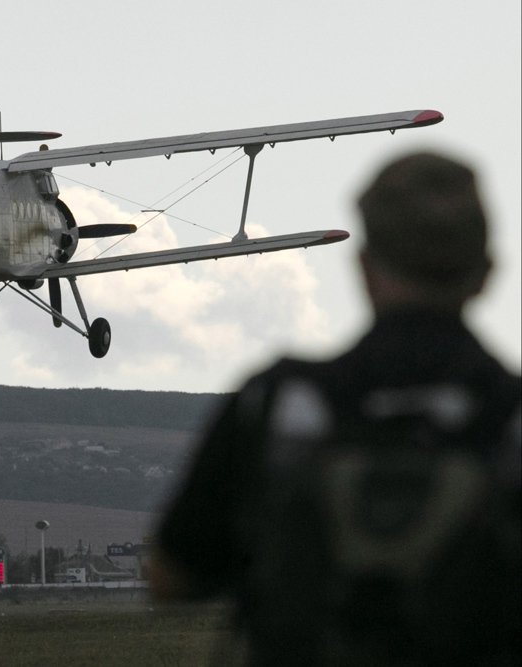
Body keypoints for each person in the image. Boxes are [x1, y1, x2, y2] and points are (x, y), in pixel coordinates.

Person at [151, 152, 520, 665]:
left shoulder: (274, 402)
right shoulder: (509, 412)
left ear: (364, 268)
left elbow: (173, 575)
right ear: (487, 273)